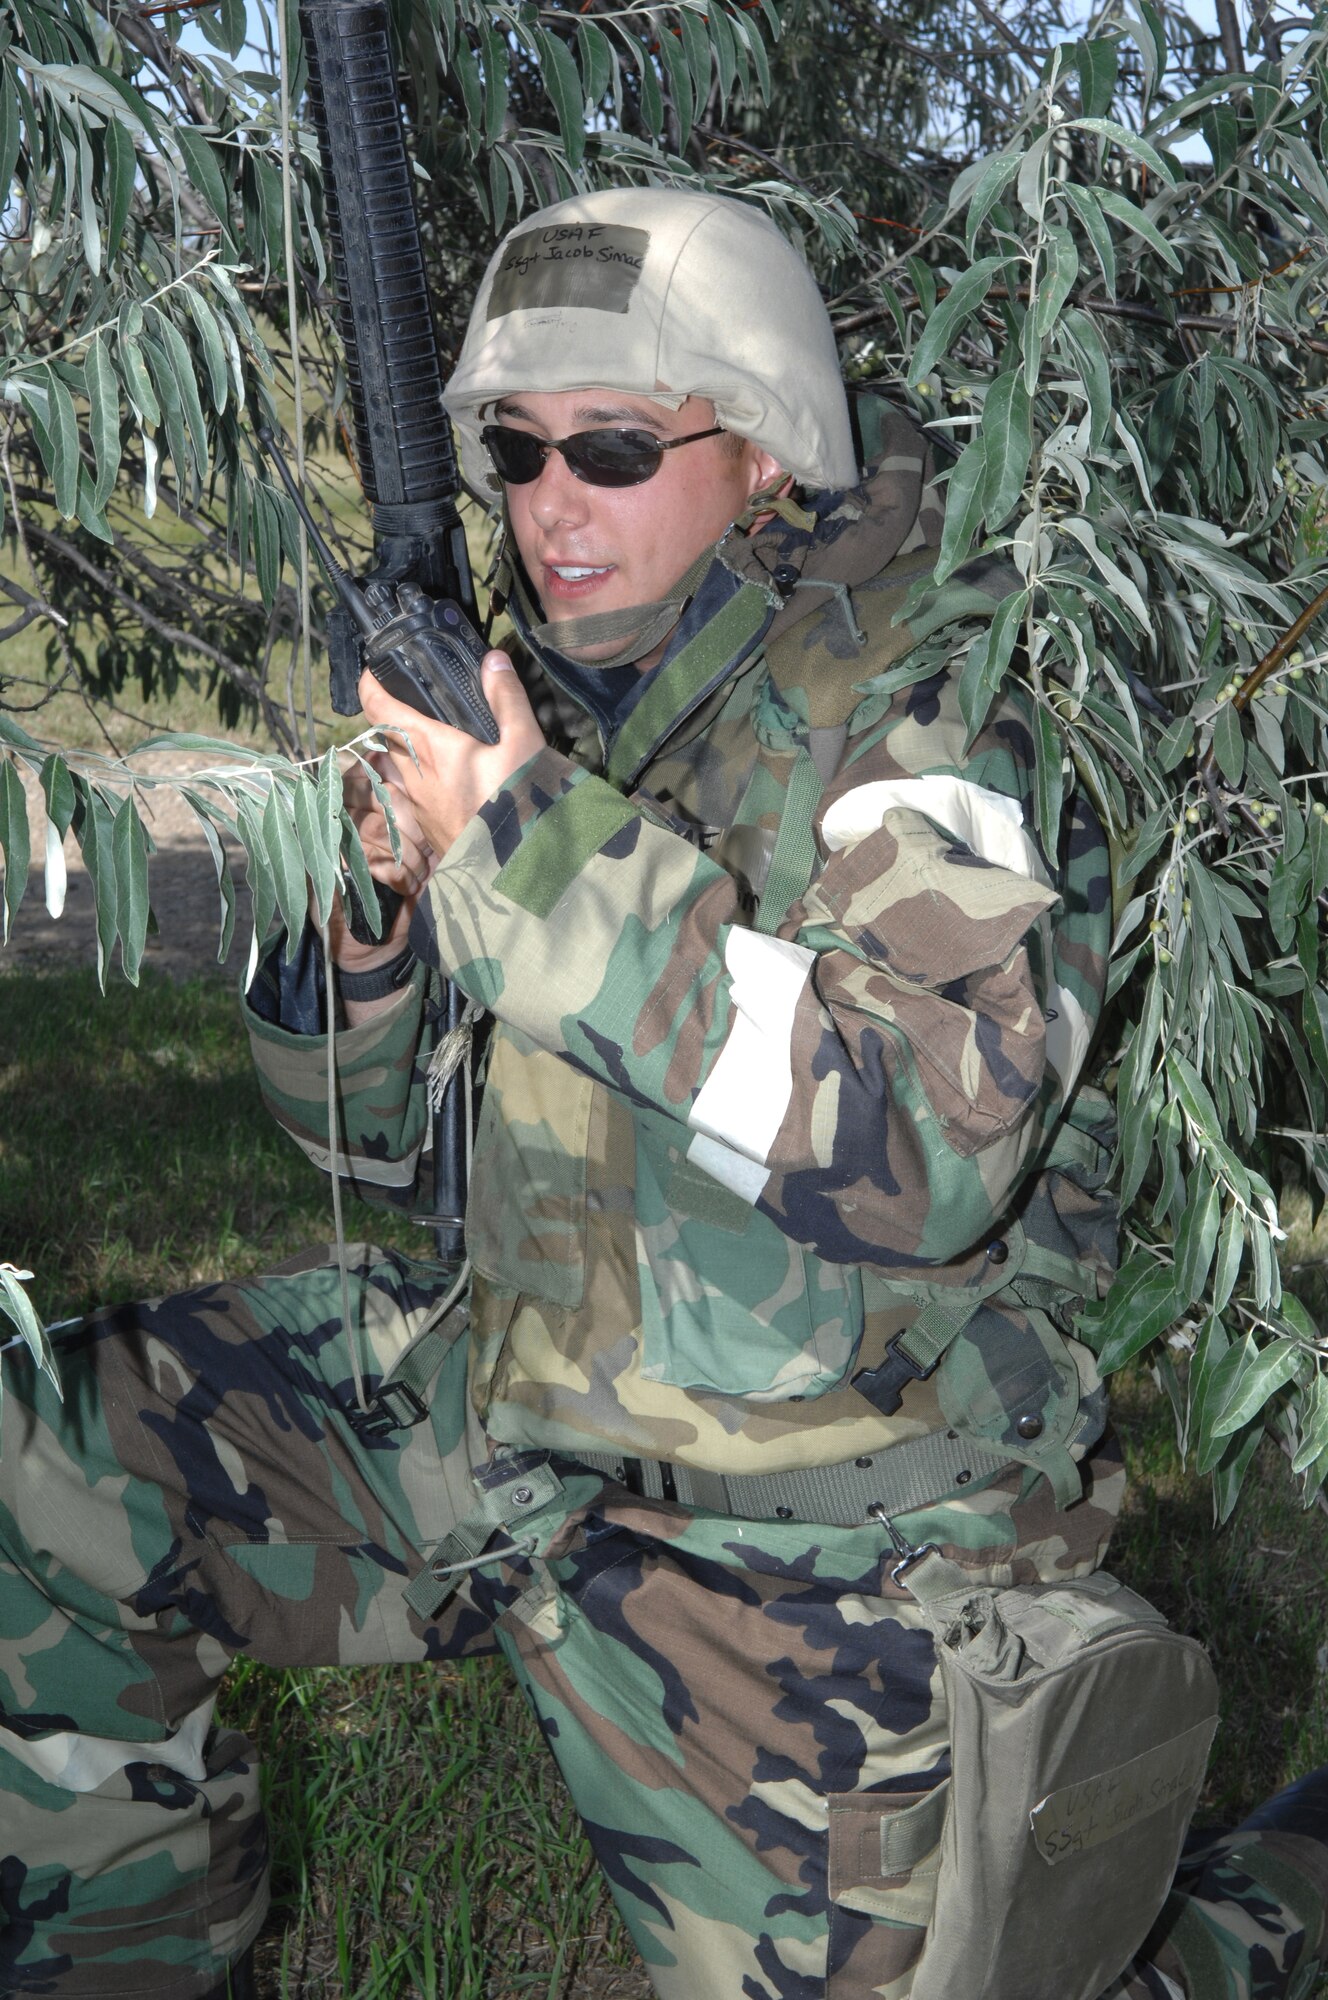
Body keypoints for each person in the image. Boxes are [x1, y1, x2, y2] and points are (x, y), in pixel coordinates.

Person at [1, 186, 1324, 2000]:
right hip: (505, 1406)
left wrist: (526, 848)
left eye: (615, 448)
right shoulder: (537, 688)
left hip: (814, 1533)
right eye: (518, 450)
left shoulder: (942, 690)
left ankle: (1280, 1897)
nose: (552, 503)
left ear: (763, 452)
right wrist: (369, 916)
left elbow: (922, 1139)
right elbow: (367, 1146)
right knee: (42, 1464)